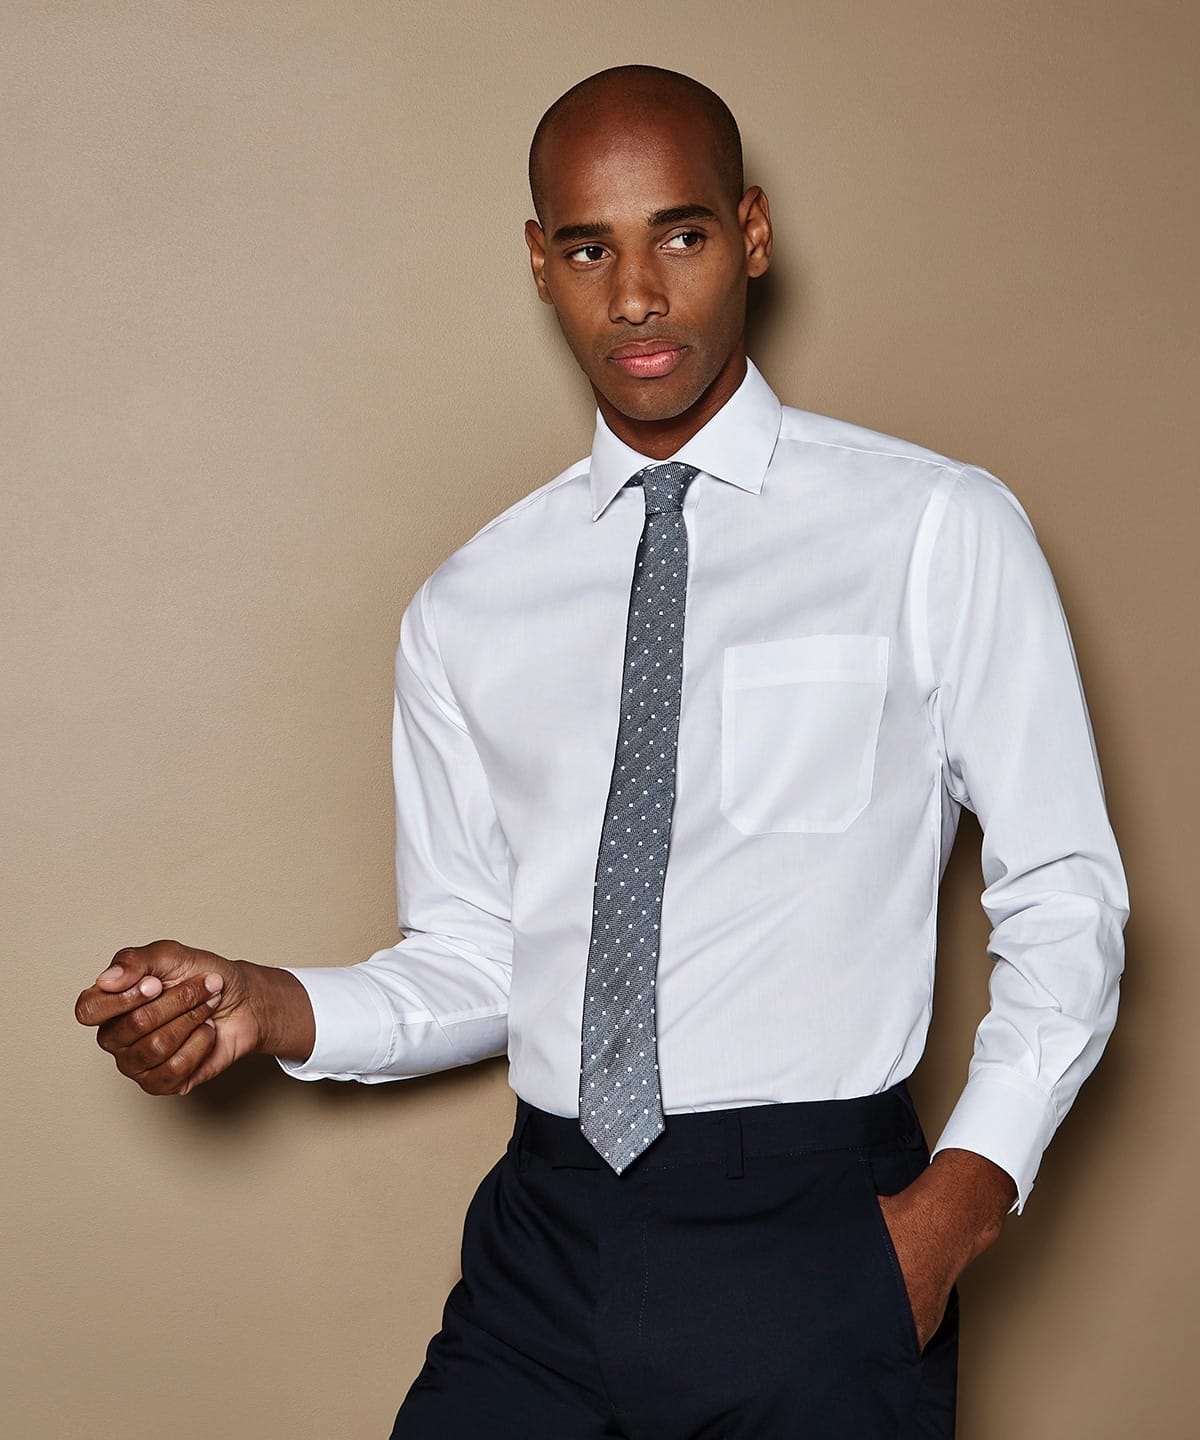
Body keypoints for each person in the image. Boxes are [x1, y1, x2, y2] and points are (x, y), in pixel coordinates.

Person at [74, 65, 1129, 1438]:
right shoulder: (470, 603)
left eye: (679, 236)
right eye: (588, 249)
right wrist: (271, 1008)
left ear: (751, 234)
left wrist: (954, 1214)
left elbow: (1065, 896)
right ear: (540, 262)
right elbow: (484, 953)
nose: (635, 295)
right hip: (546, 1239)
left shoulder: (933, 528)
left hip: (816, 1231)